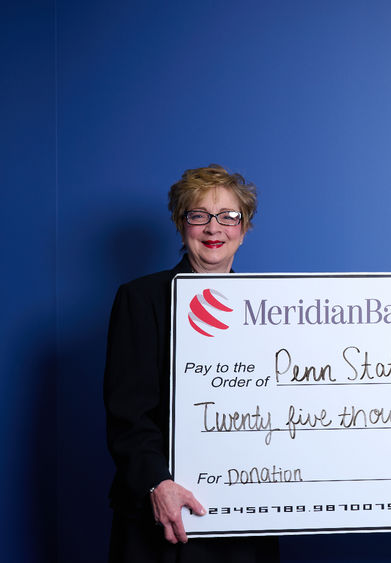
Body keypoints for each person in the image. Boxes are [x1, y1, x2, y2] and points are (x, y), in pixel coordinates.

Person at [104, 165, 279, 562]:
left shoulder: (272, 309)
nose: (214, 229)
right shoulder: (141, 299)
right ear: (181, 224)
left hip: (248, 517)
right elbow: (127, 414)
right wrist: (156, 484)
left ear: (245, 226)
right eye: (199, 215)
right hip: (164, 519)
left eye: (229, 216)